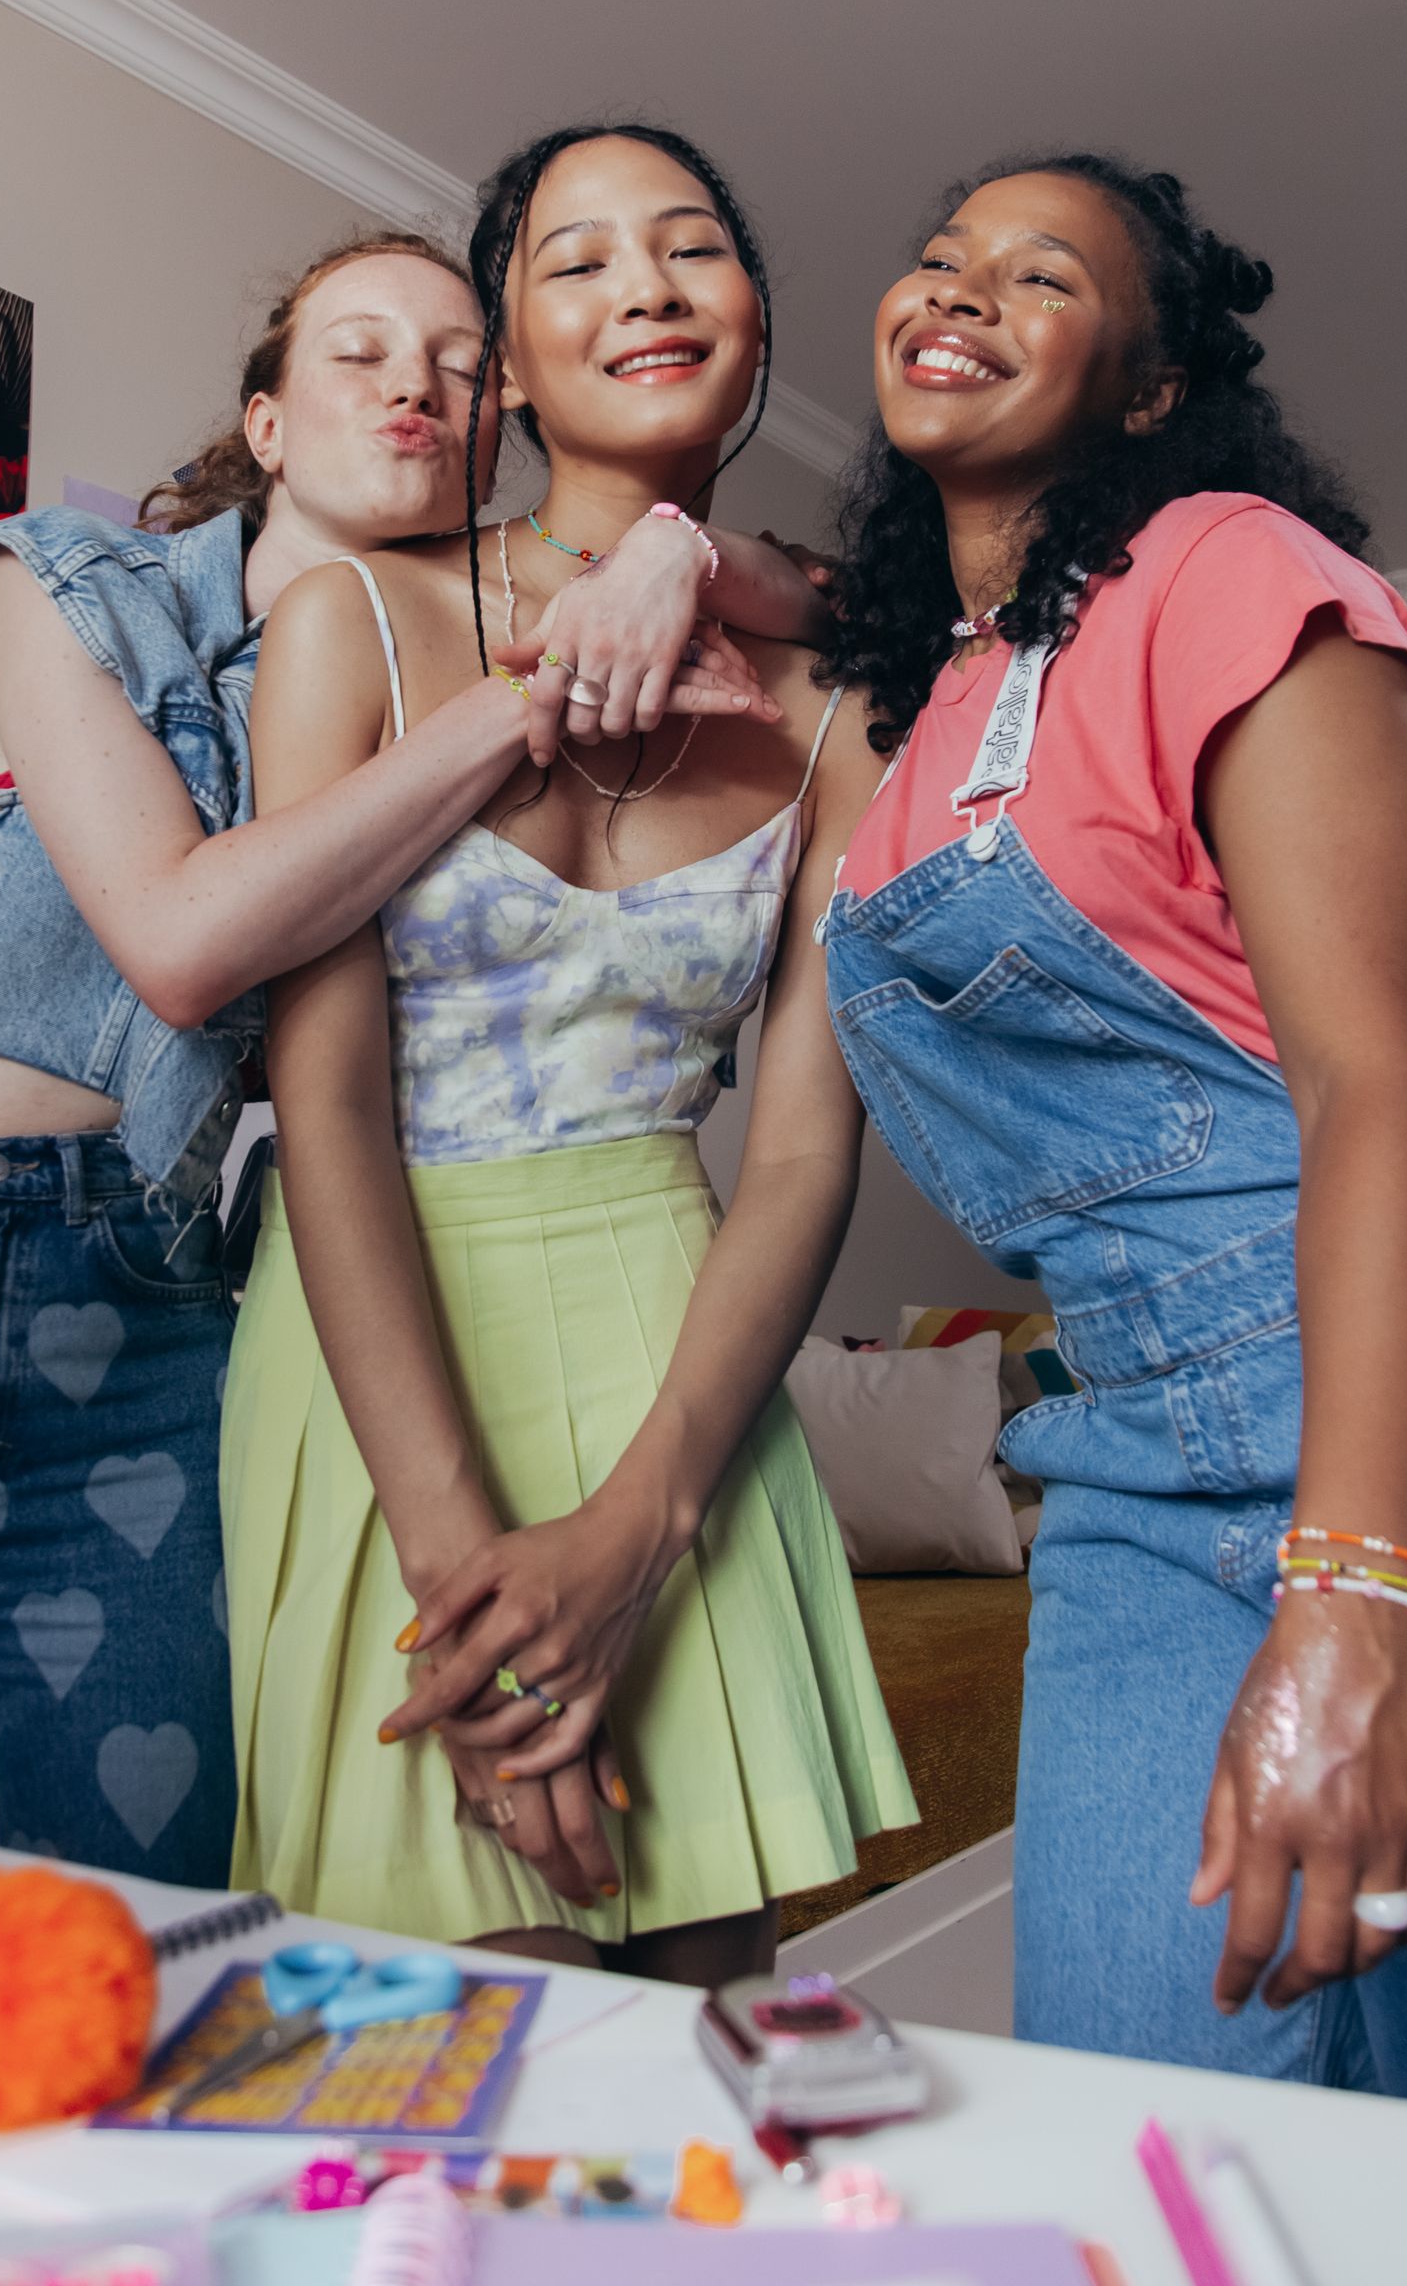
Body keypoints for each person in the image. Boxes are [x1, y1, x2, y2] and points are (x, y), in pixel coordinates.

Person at [0, 227, 811, 1886]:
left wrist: (671, 552)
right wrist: (533, 692)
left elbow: (843, 603)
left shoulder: (377, 700)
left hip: (152, 1313)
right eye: (361, 349)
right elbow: (184, 940)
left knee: (154, 1919)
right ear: (265, 421)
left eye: (464, 370)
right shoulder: (48, 582)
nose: (418, 386)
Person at [817, 152, 1407, 2120]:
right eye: (939, 260)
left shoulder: (1231, 568)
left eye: (1040, 276)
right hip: (1139, 1446)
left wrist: (1356, 1599)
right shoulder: (917, 732)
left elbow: (1380, 1090)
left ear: (1151, 387)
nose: (960, 290)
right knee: (1137, 2121)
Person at [225, 126, 914, 1983]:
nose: (646, 289)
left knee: (700, 2010)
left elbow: (803, 1151)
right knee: (438, 2035)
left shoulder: (842, 703)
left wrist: (642, 1528)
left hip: (681, 1359)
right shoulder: (361, 622)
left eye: (691, 247)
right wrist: (470, 1591)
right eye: (579, 261)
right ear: (509, 369)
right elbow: (326, 1107)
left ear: (754, 323)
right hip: (379, 1357)